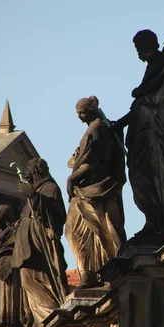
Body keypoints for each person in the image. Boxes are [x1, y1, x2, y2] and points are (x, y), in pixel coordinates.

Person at [117, 30, 164, 242]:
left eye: (138, 49)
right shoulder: (152, 67)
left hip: (162, 132)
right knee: (139, 176)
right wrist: (119, 124)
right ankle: (152, 220)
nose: (138, 54)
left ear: (147, 46)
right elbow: (139, 104)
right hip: (142, 133)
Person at [65, 96, 126, 288]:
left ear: (91, 111)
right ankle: (92, 272)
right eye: (78, 113)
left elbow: (91, 163)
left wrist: (72, 178)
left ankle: (91, 272)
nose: (79, 117)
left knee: (75, 231)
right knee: (95, 230)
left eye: (81, 112)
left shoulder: (95, 130)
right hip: (93, 189)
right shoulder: (101, 128)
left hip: (92, 190)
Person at [11, 158, 68, 327]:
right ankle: (40, 322)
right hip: (27, 248)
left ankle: (50, 320)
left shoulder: (50, 188)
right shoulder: (39, 190)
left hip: (39, 248)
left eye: (32, 176)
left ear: (37, 173)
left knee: (41, 281)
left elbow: (55, 215)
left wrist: (33, 195)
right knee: (28, 283)